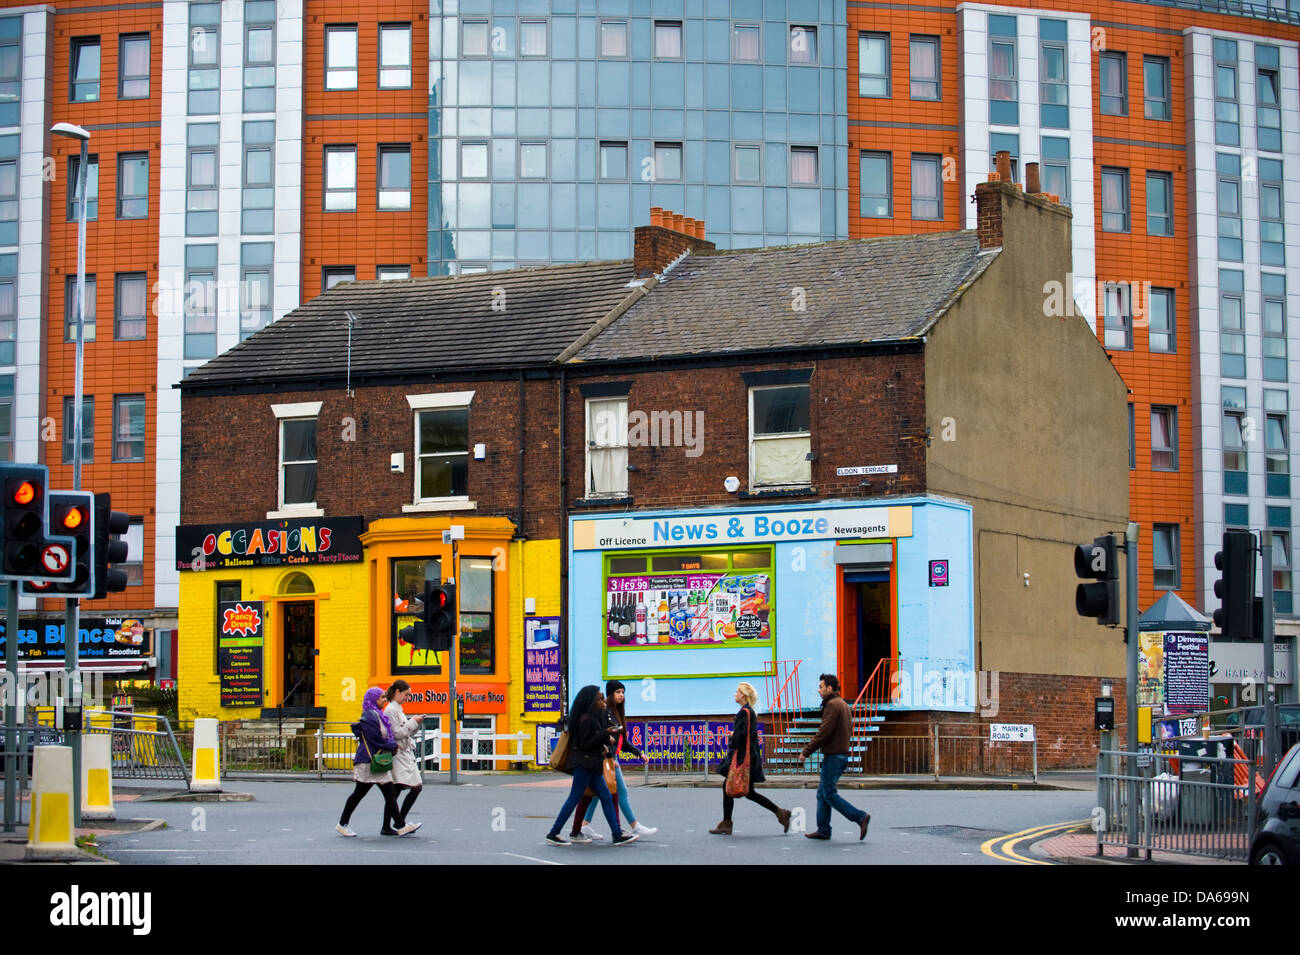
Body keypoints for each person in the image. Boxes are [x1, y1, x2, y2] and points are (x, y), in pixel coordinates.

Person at [546, 685, 638, 846]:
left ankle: (617, 834)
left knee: (606, 797)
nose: (603, 701)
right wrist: (605, 736)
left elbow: (591, 740)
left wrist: (605, 737)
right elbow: (585, 743)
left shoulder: (592, 718)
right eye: (600, 698)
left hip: (592, 765)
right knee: (574, 798)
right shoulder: (586, 719)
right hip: (584, 765)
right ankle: (554, 832)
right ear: (591, 701)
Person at [571, 680, 658, 841]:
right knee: (619, 792)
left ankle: (584, 825)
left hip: (608, 759)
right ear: (610, 694)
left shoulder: (617, 713)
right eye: (618, 692)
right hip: (605, 759)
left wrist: (637, 753)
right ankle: (634, 826)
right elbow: (601, 735)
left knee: (596, 794)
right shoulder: (604, 712)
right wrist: (609, 757)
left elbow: (621, 740)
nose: (621, 696)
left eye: (623, 693)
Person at [336, 686, 421, 837]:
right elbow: (374, 739)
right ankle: (399, 825)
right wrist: (392, 745)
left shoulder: (377, 714)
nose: (384, 700)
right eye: (381, 697)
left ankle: (344, 824)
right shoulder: (370, 716)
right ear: (373, 699)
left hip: (375, 761)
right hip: (369, 761)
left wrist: (390, 745)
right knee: (376, 794)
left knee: (372, 794)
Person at [709, 682, 791, 835]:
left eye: (737, 692)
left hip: (742, 759)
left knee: (736, 789)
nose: (735, 694)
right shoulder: (749, 712)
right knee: (745, 791)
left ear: (743, 695)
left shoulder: (745, 713)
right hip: (749, 757)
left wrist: (732, 737)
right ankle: (780, 812)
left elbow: (741, 737)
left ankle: (728, 823)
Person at [800, 673, 869, 841]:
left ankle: (859, 817)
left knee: (829, 793)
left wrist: (806, 751)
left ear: (829, 688)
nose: (819, 690)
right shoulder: (843, 704)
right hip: (840, 754)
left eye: (821, 687)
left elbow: (824, 733)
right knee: (822, 793)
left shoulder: (832, 705)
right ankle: (823, 829)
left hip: (834, 755)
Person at [381, 679, 425, 836]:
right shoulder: (391, 710)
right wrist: (413, 722)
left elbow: (403, 732)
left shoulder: (396, 708)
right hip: (400, 754)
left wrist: (415, 723)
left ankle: (391, 825)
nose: (408, 697)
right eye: (406, 694)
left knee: (396, 790)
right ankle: (399, 822)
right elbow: (397, 733)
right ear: (397, 692)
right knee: (414, 787)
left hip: (403, 753)